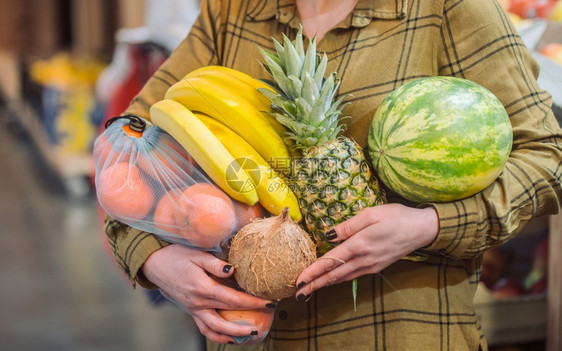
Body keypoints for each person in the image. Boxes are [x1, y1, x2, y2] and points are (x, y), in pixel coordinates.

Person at [103, 0, 562, 350]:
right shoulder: (234, 10)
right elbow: (125, 145)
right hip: (251, 332)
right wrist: (153, 260)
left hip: (397, 332)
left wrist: (429, 226)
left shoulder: (448, 9)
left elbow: (548, 154)